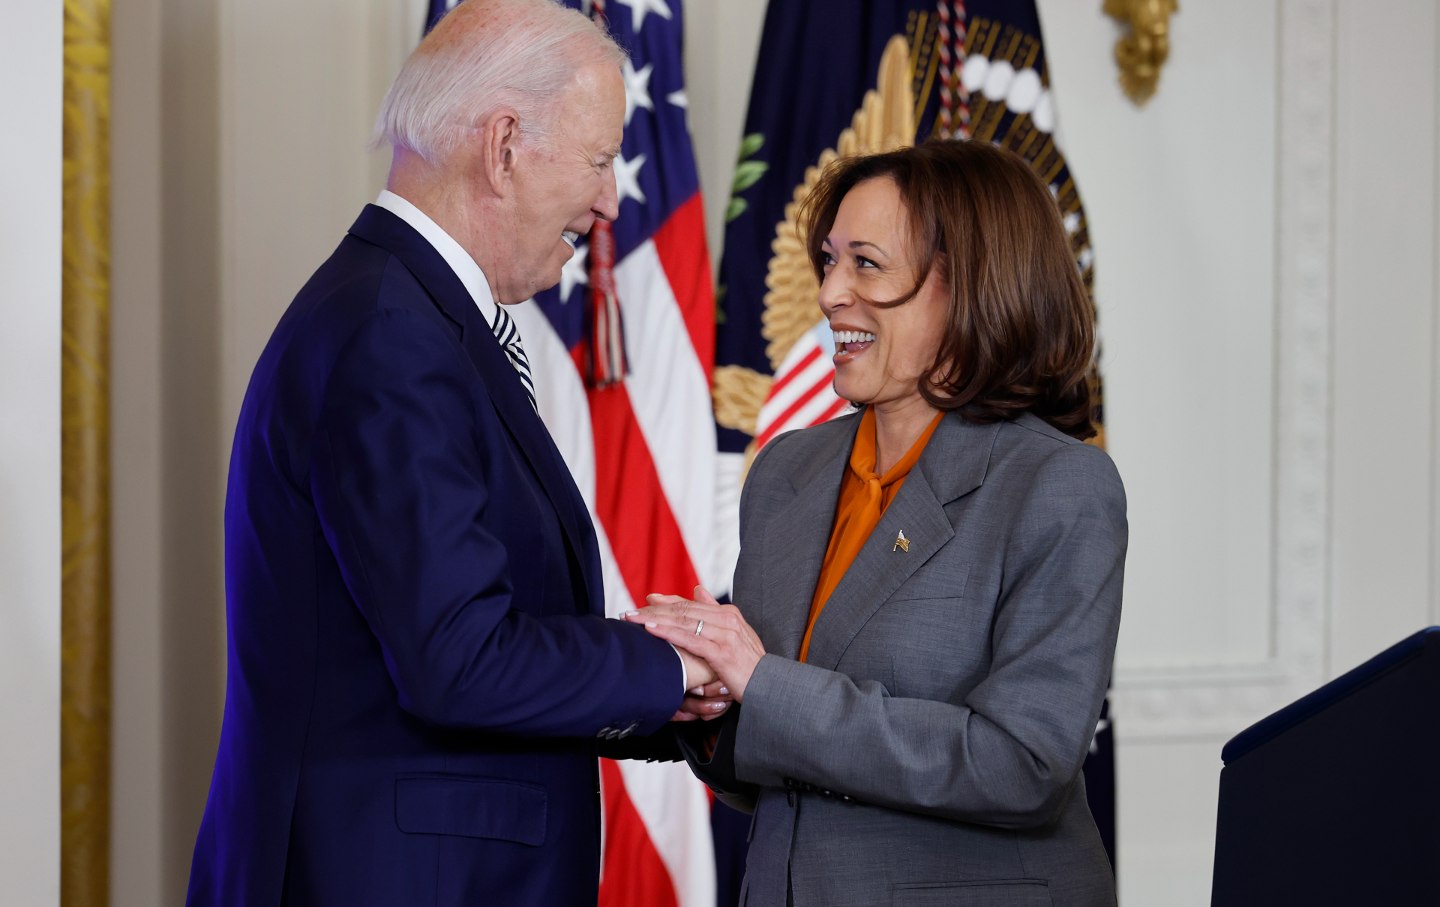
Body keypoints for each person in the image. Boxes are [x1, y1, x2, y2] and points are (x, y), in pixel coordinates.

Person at [185, 2, 722, 904]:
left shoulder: (404, 313)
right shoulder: (391, 335)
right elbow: (461, 658)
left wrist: (679, 690)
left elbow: (467, 631)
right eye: (598, 161)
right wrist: (674, 666)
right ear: (505, 145)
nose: (608, 202)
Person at [628, 139, 1128, 906]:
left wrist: (763, 682)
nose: (830, 293)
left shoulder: (1057, 486)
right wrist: (712, 708)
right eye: (829, 261)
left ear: (970, 284)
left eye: (865, 263)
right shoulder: (787, 472)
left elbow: (1023, 763)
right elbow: (778, 758)